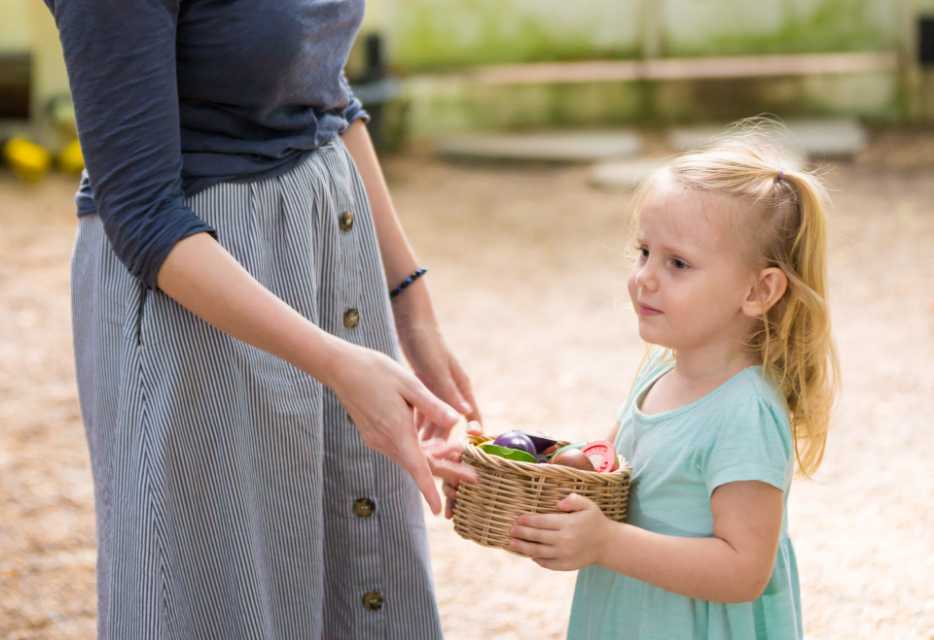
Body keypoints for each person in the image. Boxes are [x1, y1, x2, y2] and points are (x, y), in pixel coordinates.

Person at [43, 1, 479, 637]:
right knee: (219, 594)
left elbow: (326, 92)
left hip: (329, 262)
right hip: (200, 299)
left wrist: (412, 305)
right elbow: (142, 213)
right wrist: (337, 364)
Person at [507, 123, 839, 639]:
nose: (645, 276)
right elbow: (607, 473)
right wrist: (532, 484)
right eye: (644, 252)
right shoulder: (660, 373)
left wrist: (606, 544)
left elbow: (744, 570)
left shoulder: (744, 412)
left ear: (759, 291)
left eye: (678, 263)